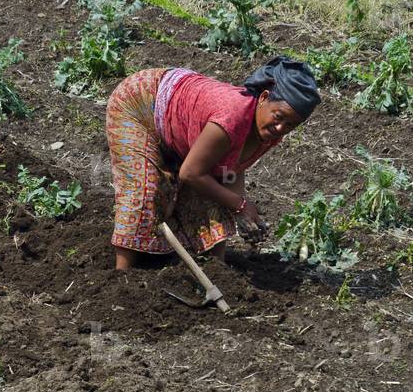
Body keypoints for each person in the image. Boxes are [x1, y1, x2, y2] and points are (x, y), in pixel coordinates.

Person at [105, 56, 321, 271]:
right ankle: (121, 273)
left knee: (217, 195)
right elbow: (190, 173)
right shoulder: (232, 117)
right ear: (264, 98)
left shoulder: (269, 132)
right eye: (279, 116)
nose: (281, 128)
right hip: (139, 104)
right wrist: (240, 205)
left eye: (291, 125)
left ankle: (217, 270)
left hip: (178, 118)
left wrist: (239, 207)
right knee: (145, 190)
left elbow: (231, 169)